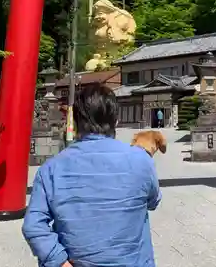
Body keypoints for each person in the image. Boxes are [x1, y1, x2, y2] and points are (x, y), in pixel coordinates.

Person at [22, 83, 161, 267]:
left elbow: (33, 225)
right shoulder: (141, 160)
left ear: (75, 122)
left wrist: (59, 261)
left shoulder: (51, 168)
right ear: (116, 120)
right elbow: (153, 201)